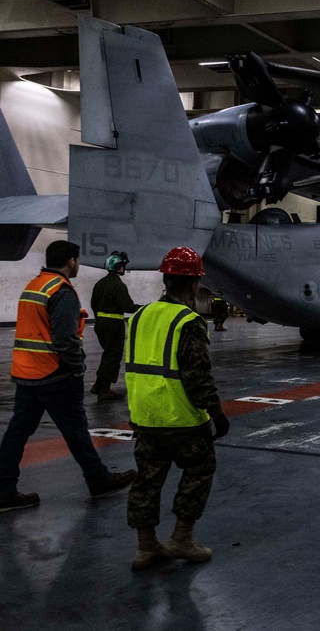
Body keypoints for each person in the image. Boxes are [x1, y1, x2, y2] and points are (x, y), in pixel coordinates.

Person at [0, 241, 137, 513]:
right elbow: (65, 339)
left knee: (17, 433)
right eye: (77, 259)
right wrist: (77, 367)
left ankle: (3, 490)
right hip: (54, 374)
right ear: (71, 261)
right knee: (75, 429)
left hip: (26, 373)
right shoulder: (61, 291)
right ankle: (98, 479)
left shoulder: (34, 286)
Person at [125, 246, 230, 569]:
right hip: (181, 418)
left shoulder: (140, 315)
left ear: (166, 280)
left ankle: (146, 547)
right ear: (195, 284)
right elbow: (196, 375)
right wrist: (216, 412)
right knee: (199, 470)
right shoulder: (188, 321)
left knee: (147, 480)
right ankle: (182, 538)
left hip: (144, 415)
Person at [90, 251, 141, 400]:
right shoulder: (118, 285)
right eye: (123, 266)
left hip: (100, 324)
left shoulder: (100, 283)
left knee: (107, 355)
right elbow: (128, 307)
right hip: (114, 325)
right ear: (118, 267)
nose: (124, 269)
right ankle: (105, 389)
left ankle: (98, 386)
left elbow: (93, 304)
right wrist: (146, 308)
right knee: (112, 357)